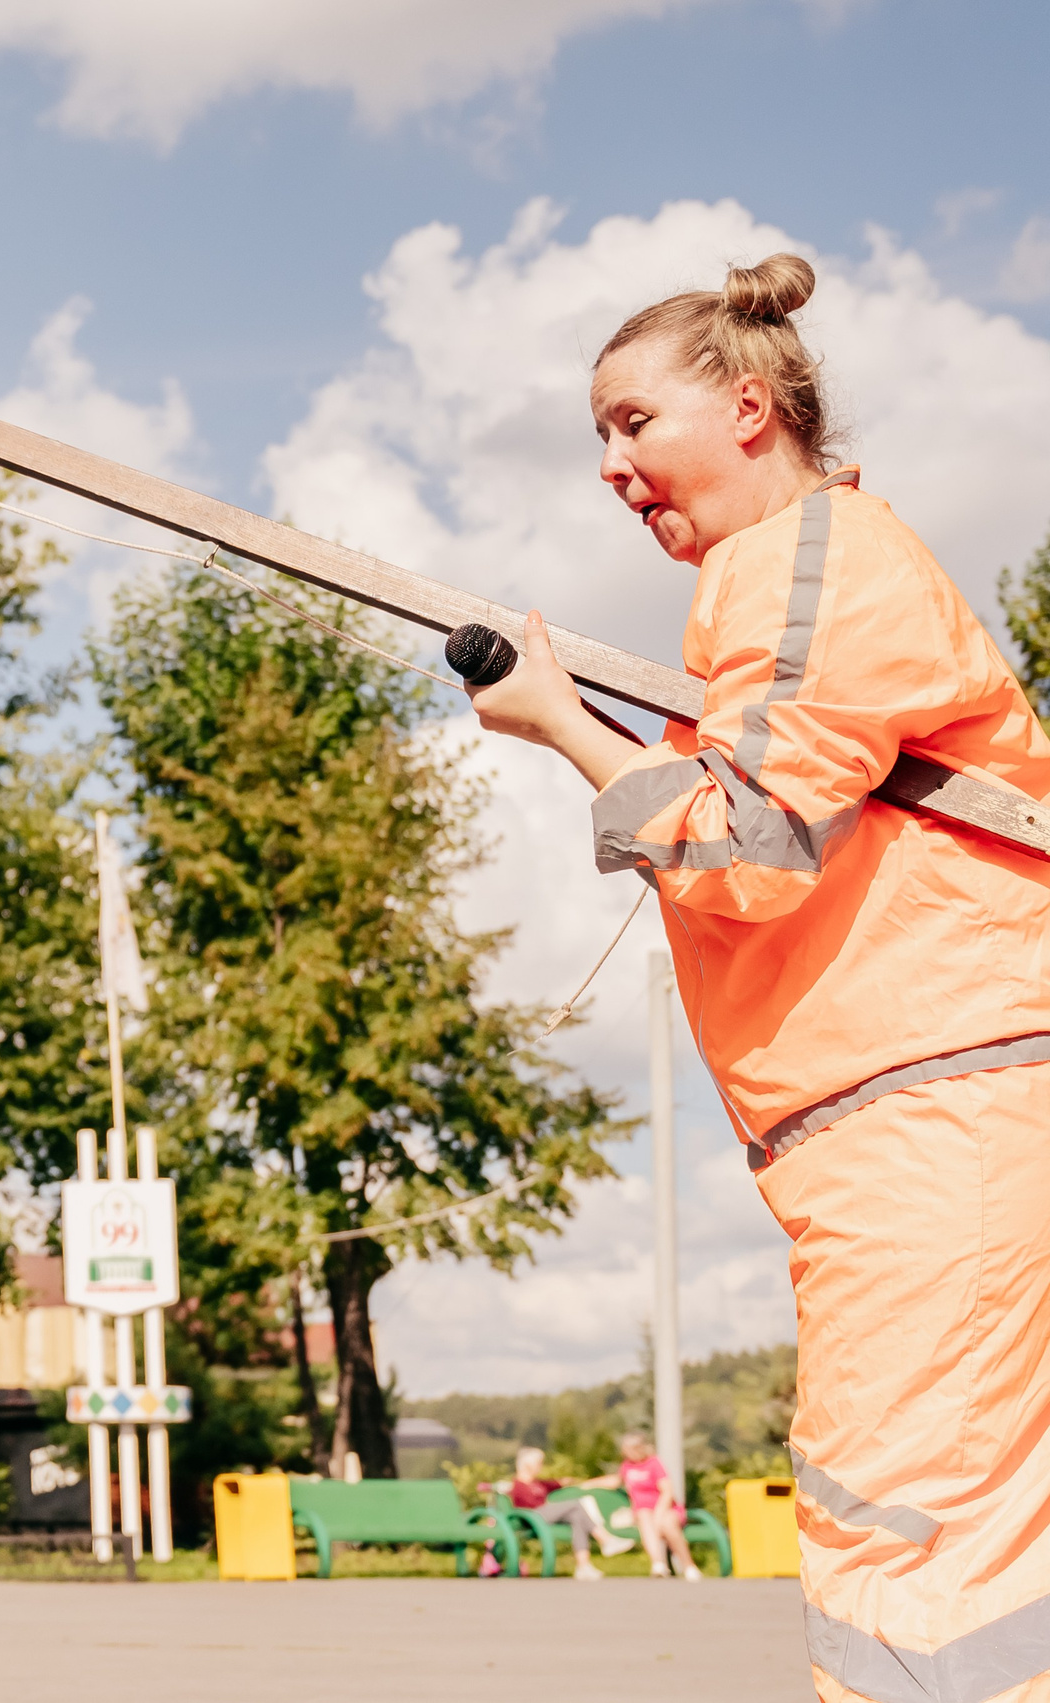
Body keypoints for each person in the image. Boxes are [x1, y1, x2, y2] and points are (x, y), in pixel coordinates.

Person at [471, 255, 1050, 1690]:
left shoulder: (804, 560)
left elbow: (745, 842)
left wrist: (559, 726)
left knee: (901, 1525)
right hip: (937, 1110)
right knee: (976, 1533)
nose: (611, 464)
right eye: (595, 438)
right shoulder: (799, 574)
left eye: (630, 421)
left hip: (931, 1118)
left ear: (747, 408)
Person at [571, 1433, 700, 1582]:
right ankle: (658, 1563)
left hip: (664, 1508)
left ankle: (689, 1566)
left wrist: (658, 1513)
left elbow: (667, 1492)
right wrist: (589, 1484)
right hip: (642, 1512)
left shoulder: (654, 1463)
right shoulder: (627, 1465)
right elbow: (615, 1481)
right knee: (644, 1516)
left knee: (667, 1524)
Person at [490, 1446, 633, 1580]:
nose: (541, 1467)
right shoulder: (518, 1485)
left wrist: (591, 1482)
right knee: (576, 1505)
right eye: (538, 1463)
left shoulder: (539, 1483)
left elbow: (563, 1483)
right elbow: (527, 1506)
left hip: (544, 1515)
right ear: (527, 1465)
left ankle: (583, 1566)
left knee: (577, 1517)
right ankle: (605, 1539)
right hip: (531, 1518)